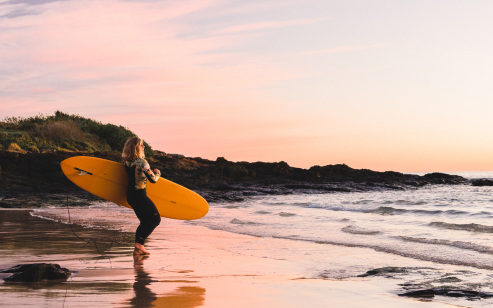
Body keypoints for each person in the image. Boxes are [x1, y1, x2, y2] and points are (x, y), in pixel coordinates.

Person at [122, 137, 161, 255]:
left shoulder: (127, 163)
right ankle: (140, 243)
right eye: (141, 145)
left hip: (130, 196)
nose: (143, 147)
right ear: (136, 148)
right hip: (140, 195)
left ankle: (137, 249)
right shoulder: (142, 162)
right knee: (155, 219)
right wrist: (158, 173)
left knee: (144, 221)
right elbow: (153, 179)